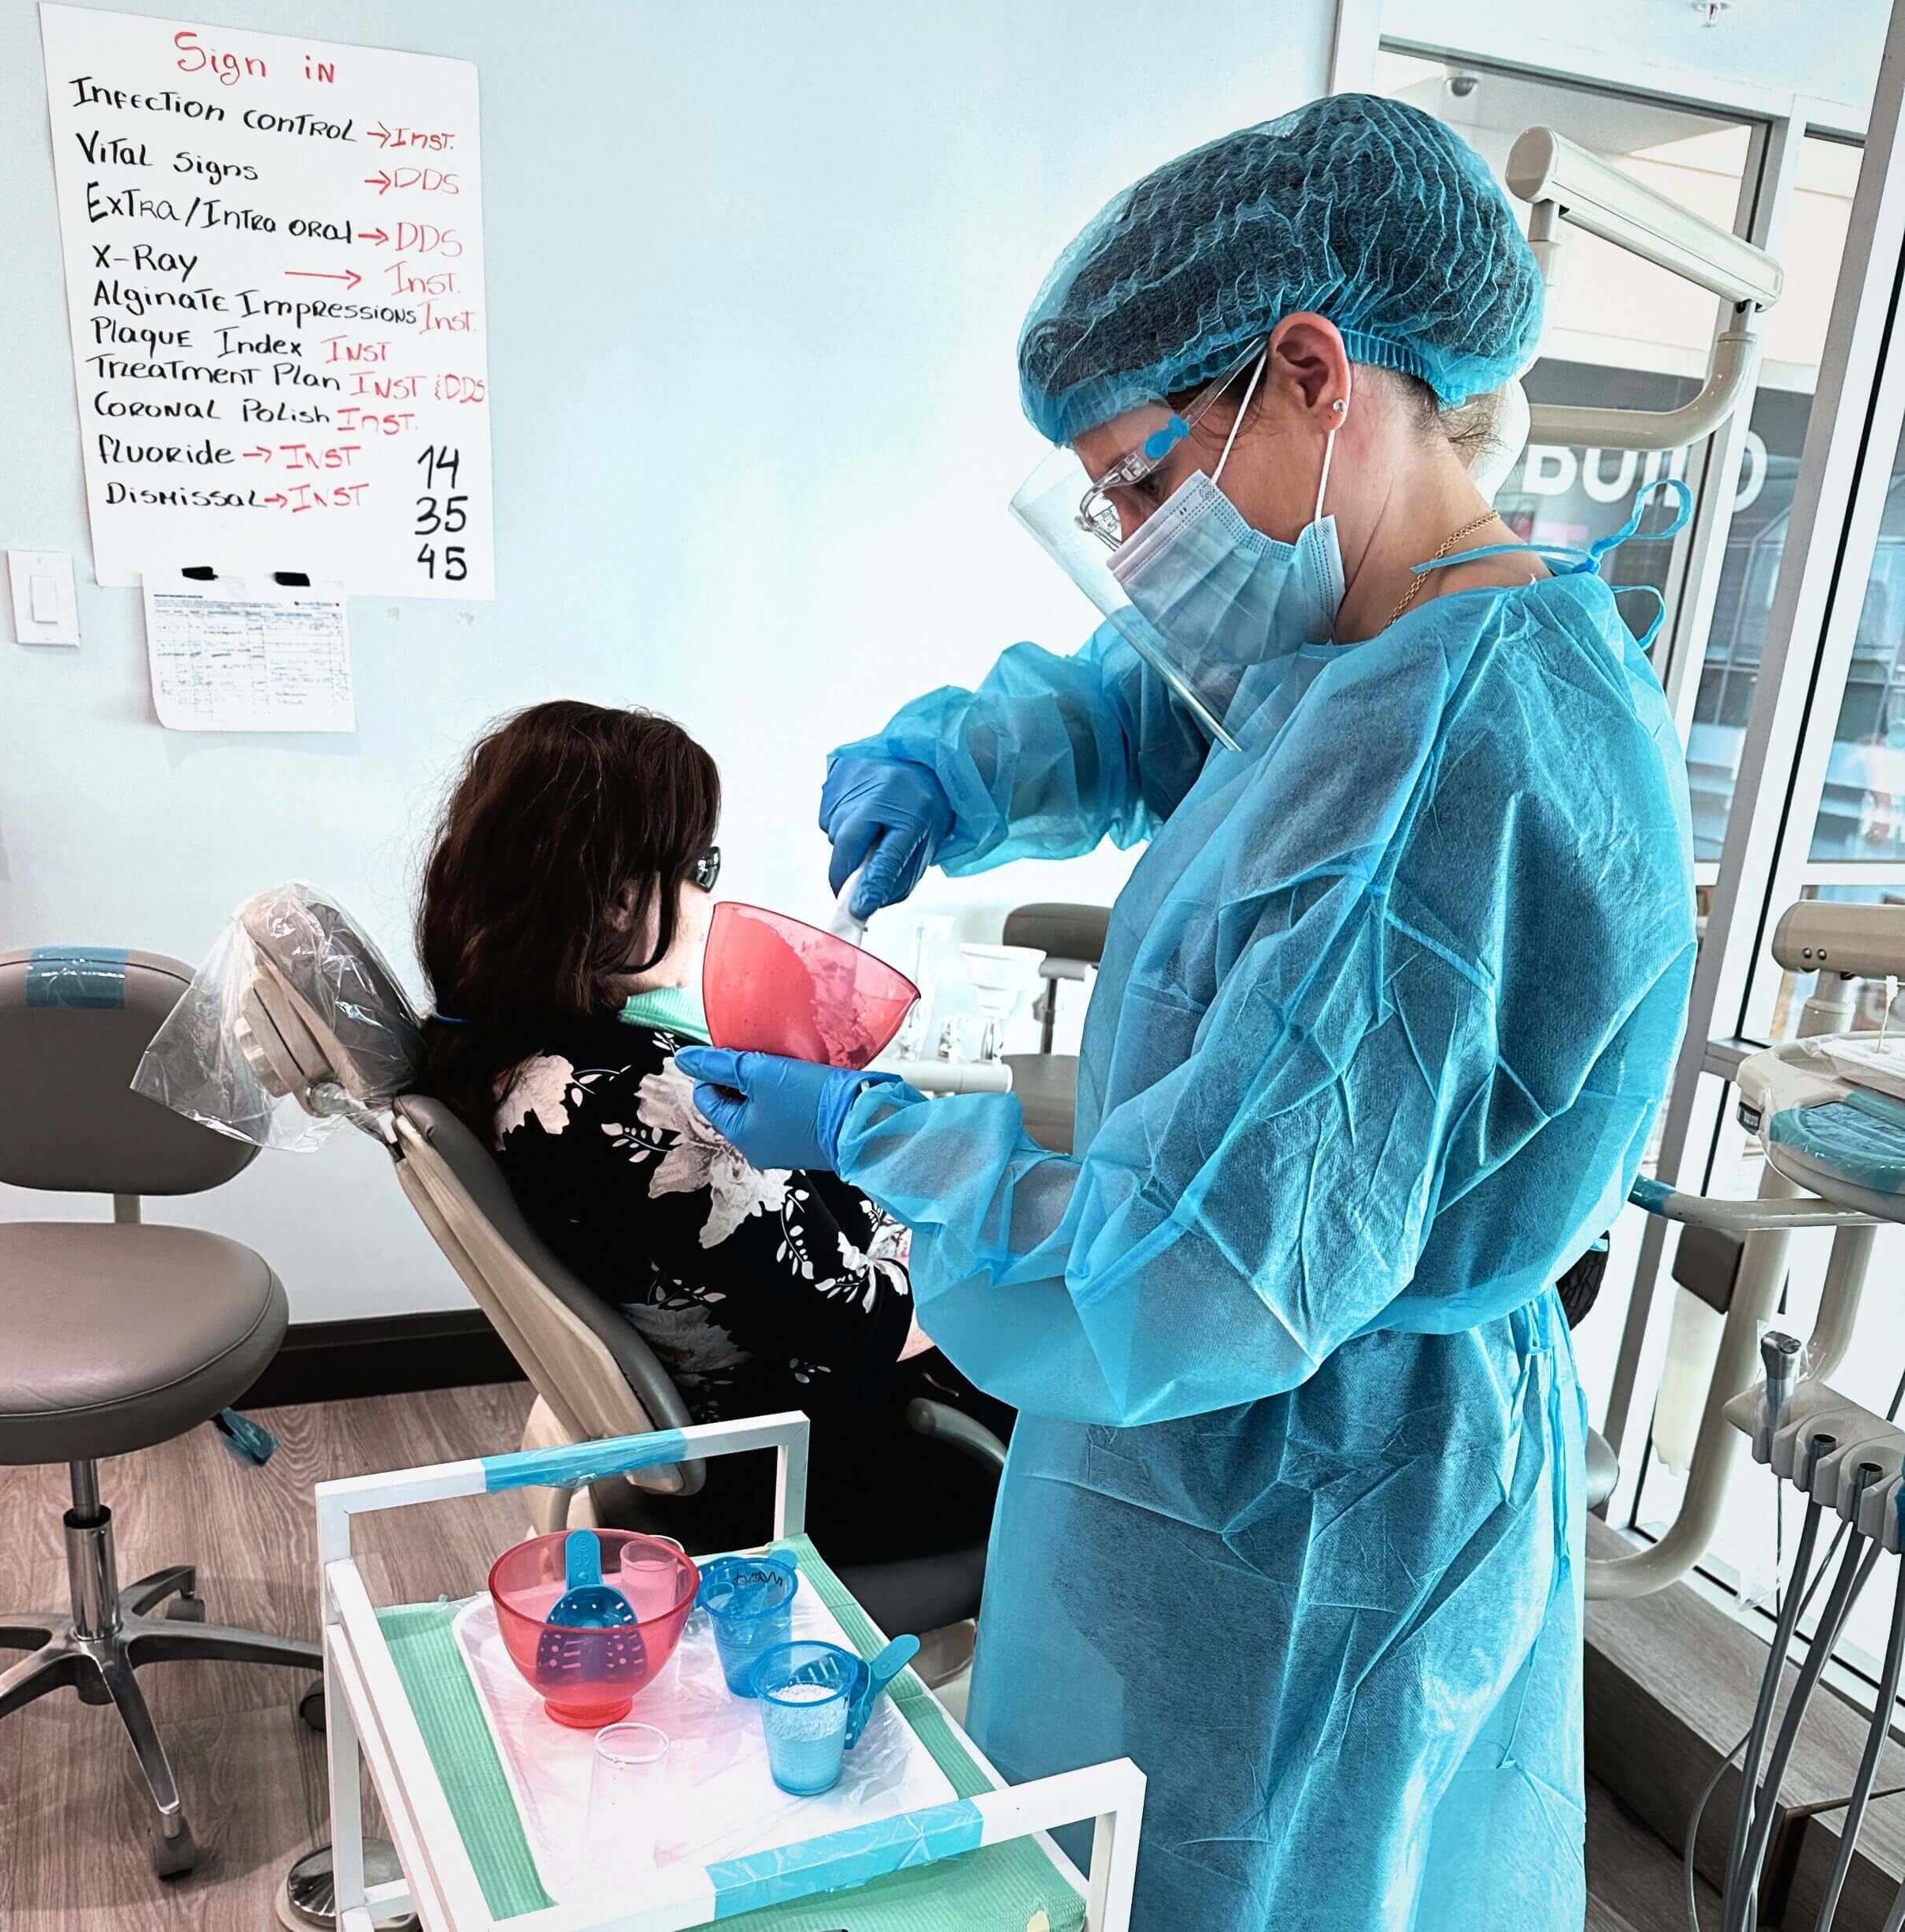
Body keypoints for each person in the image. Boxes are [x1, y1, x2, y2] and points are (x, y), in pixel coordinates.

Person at [677, 95, 1697, 1931]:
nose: (1132, 540)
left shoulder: (1438, 771)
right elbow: (1172, 705)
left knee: (1237, 1876)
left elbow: (1197, 1270)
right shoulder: (1388, 633)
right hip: (1228, 1459)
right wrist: (968, 763)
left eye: (1142, 477)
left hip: (1317, 1506)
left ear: (1313, 373)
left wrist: (881, 1140)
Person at [414, 700, 1009, 1568]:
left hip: (750, 1437)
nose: (710, 893)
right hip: (839, 1469)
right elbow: (879, 1318)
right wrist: (977, 1210)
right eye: (700, 865)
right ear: (620, 898)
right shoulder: (634, 1107)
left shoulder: (509, 1055)